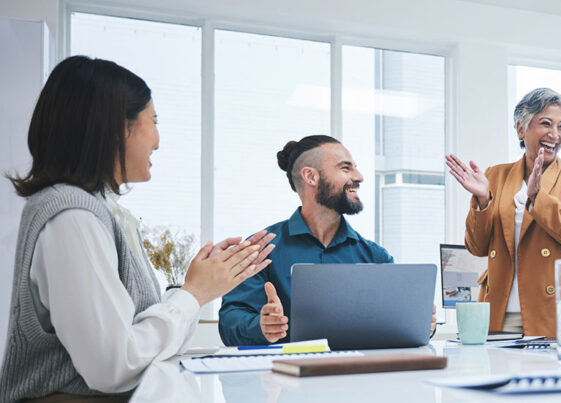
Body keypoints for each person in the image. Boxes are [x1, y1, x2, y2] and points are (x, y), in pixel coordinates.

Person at [1, 56, 274, 401]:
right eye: (153, 121)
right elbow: (114, 365)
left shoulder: (94, 212)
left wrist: (194, 286)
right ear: (116, 128)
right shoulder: (73, 217)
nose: (158, 140)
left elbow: (139, 342)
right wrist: (194, 294)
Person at [219, 135, 436, 346]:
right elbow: (229, 323)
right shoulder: (262, 249)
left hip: (357, 377)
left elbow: (398, 322)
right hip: (285, 378)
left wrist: (423, 325)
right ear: (311, 177)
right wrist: (261, 326)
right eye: (345, 168)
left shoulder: (375, 256)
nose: (359, 176)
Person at [446, 88, 561, 338]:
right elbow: (477, 247)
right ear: (521, 129)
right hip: (501, 313)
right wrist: (483, 200)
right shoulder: (495, 175)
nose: (554, 134)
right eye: (545, 124)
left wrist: (537, 198)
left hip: (556, 313)